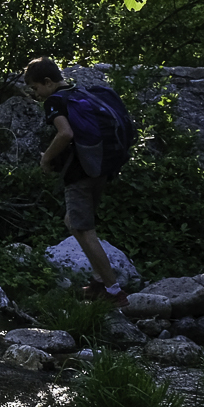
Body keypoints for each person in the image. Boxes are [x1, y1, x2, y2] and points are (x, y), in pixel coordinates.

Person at [25, 56, 128, 307]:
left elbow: (66, 133)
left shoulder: (55, 100)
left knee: (82, 228)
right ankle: (98, 282)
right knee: (73, 220)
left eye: (36, 88)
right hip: (101, 167)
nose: (36, 95)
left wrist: (46, 160)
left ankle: (114, 292)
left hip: (79, 174)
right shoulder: (79, 91)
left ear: (47, 82)